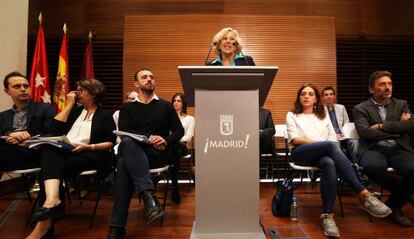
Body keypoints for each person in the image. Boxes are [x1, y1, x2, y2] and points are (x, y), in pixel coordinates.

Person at [286, 83, 391, 238]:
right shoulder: (292, 114)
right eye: (303, 94)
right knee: (330, 146)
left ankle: (327, 216)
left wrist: (325, 145)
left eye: (310, 94)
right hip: (301, 153)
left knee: (328, 162)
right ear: (299, 98)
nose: (306, 96)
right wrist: (321, 144)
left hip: (323, 154)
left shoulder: (323, 115)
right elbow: (295, 139)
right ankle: (363, 194)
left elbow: (332, 137)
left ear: (316, 99)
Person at [26, 78, 116, 239]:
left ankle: (46, 221)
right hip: (67, 151)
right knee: (49, 150)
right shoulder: (74, 111)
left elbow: (110, 143)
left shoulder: (105, 116)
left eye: (80, 90)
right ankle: (51, 202)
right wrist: (68, 105)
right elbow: (55, 130)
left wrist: (89, 147)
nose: (75, 93)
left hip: (91, 154)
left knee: (50, 168)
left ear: (93, 93)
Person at [107, 68, 184, 239]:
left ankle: (116, 228)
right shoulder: (127, 108)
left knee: (123, 164)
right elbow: (125, 131)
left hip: (158, 153)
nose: (149, 79)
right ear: (136, 84)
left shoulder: (165, 106)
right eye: (145, 77)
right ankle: (149, 197)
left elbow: (178, 131)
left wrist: (165, 140)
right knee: (127, 146)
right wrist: (148, 138)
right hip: (136, 152)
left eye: (152, 77)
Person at [353, 70, 414, 227]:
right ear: (372, 89)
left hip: (399, 148)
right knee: (370, 166)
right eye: (382, 84)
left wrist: (382, 126)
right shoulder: (360, 108)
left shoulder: (402, 104)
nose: (387, 87)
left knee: (412, 169)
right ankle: (405, 193)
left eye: (389, 84)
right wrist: (397, 127)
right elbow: (365, 132)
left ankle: (394, 206)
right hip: (374, 148)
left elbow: (410, 126)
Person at [0, 71, 55, 171]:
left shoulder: (45, 109)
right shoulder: (3, 116)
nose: (23, 89)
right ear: (7, 91)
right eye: (17, 86)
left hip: (33, 154)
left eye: (26, 86)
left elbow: (53, 134)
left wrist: (29, 137)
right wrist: (10, 135)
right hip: (8, 152)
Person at [321, 86, 358, 162]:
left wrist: (345, 135)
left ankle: (355, 164)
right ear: (322, 97)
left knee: (355, 142)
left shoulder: (341, 108)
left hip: (343, 135)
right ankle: (340, 165)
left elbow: (346, 124)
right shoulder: (320, 110)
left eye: (331, 94)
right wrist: (334, 136)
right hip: (330, 137)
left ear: (334, 96)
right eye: (326, 95)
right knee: (335, 143)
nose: (329, 96)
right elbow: (321, 128)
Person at [170, 92, 195, 204]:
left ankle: (163, 178)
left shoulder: (190, 119)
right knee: (172, 150)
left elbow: (188, 137)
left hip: (183, 146)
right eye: (174, 101)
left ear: (183, 103)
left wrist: (171, 140)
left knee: (175, 147)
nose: (176, 103)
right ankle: (175, 187)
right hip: (170, 147)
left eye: (178, 101)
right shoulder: (168, 118)